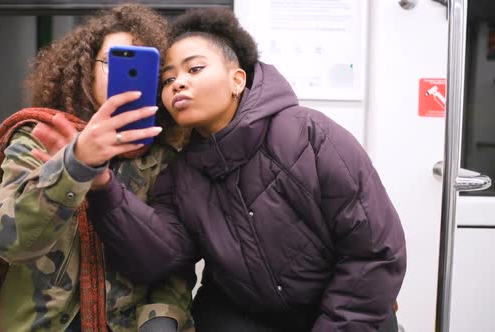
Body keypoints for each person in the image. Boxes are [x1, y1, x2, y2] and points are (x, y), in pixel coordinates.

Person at [38, 7, 407, 332]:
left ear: (237, 80)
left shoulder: (310, 135)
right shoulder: (180, 175)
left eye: (195, 68)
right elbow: (159, 257)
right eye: (166, 80)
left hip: (345, 315)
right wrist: (101, 183)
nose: (178, 82)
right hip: (250, 316)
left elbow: (375, 252)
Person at [0, 4, 194, 332]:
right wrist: (75, 163)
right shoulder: (39, 136)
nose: (128, 79)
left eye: (146, 70)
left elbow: (172, 259)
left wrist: (162, 319)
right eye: (114, 63)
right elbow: (7, 242)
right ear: (86, 69)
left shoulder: (161, 157)